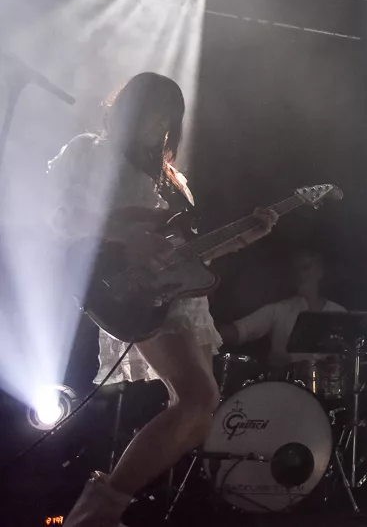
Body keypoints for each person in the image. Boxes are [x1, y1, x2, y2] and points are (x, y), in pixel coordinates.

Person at [48, 72, 278, 527]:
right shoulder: (94, 151)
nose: (161, 120)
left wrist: (241, 238)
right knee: (199, 397)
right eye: (152, 107)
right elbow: (62, 216)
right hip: (133, 289)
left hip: (182, 297)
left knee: (198, 412)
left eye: (170, 112)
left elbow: (186, 250)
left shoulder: (174, 179)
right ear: (129, 108)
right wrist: (125, 234)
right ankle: (96, 512)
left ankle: (103, 509)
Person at [219, 250, 347, 368]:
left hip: (329, 389)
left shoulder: (341, 314)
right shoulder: (280, 310)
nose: (300, 275)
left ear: (320, 271)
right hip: (285, 388)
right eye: (295, 271)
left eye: (305, 268)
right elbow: (240, 331)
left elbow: (352, 358)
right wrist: (203, 333)